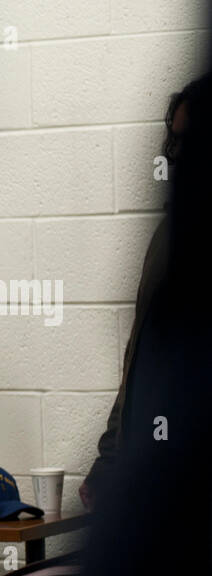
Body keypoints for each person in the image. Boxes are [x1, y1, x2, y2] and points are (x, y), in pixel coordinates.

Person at [79, 76, 208, 511]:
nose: (177, 156)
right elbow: (140, 354)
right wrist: (110, 457)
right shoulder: (169, 235)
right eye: (174, 141)